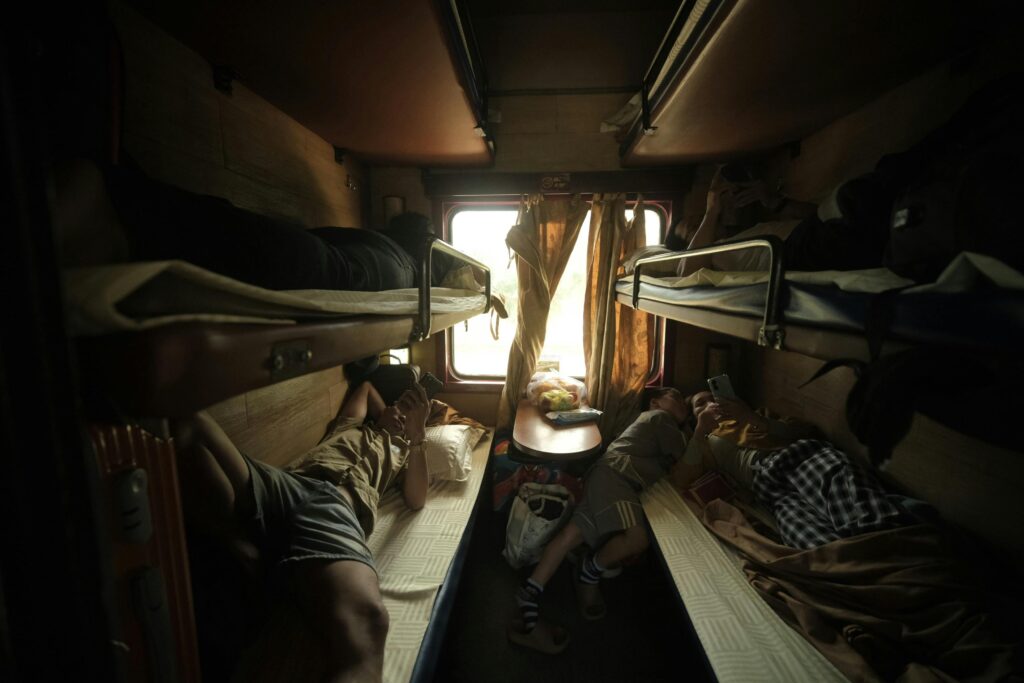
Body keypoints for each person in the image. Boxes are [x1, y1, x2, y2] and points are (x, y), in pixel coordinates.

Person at [173, 379, 431, 682]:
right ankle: (243, 544)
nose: (401, 416)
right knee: (193, 421)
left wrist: (416, 433)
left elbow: (416, 499)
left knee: (371, 623)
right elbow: (365, 387)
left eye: (406, 416)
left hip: (337, 509)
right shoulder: (350, 426)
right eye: (398, 408)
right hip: (290, 482)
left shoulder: (401, 456)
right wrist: (389, 409)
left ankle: (249, 546)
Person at [507, 387, 693, 654]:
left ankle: (528, 595)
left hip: (603, 475)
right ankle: (589, 570)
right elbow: (687, 462)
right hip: (617, 478)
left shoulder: (658, 426)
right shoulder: (660, 418)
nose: (682, 401)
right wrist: (700, 427)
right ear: (655, 402)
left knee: (570, 537)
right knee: (637, 539)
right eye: (675, 396)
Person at [672, 390, 921, 549]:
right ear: (695, 417)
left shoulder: (756, 415)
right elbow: (681, 479)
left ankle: (892, 542)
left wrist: (752, 418)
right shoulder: (705, 443)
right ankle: (864, 568)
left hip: (795, 458)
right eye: (700, 404)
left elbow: (802, 432)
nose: (710, 404)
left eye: (713, 398)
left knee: (849, 499)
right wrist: (700, 430)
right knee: (808, 539)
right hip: (769, 488)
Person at [672, 163, 891, 277]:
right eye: (692, 229)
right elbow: (686, 272)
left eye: (696, 219)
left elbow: (815, 214)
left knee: (863, 190)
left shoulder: (745, 235)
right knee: (854, 195)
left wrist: (776, 202)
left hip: (812, 233)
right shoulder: (712, 262)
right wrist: (710, 213)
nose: (699, 223)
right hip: (794, 254)